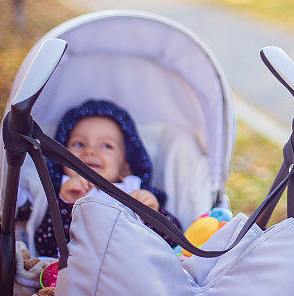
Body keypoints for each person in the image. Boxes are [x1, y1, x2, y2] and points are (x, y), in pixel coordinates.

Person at [16, 99, 182, 258]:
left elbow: (175, 240)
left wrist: (153, 213)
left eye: (106, 146)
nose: (90, 151)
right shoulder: (62, 194)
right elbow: (45, 247)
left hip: (133, 268)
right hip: (77, 273)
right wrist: (64, 206)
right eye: (79, 144)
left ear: (126, 167)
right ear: (60, 158)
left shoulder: (134, 191)